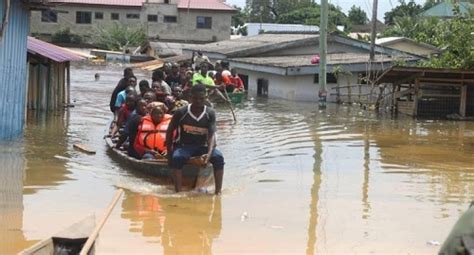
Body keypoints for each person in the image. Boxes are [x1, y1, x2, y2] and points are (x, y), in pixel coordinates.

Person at [166, 84, 224, 194]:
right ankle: (178, 191)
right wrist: (169, 153)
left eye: (201, 99)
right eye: (195, 98)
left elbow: (211, 136)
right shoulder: (181, 112)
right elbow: (169, 132)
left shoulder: (210, 113)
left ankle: (218, 191)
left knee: (219, 158)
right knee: (177, 158)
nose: (198, 101)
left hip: (203, 147)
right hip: (184, 146)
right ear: (190, 98)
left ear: (206, 98)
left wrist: (209, 153)